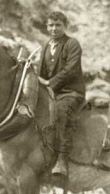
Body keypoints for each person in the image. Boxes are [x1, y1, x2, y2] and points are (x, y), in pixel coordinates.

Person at [38, 11, 85, 178]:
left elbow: (71, 70)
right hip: (51, 92)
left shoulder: (72, 44)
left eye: (58, 25)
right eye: (50, 25)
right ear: (46, 26)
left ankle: (62, 159)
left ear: (65, 26)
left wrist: (50, 83)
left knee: (60, 111)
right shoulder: (44, 46)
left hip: (70, 92)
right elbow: (40, 71)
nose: (54, 28)